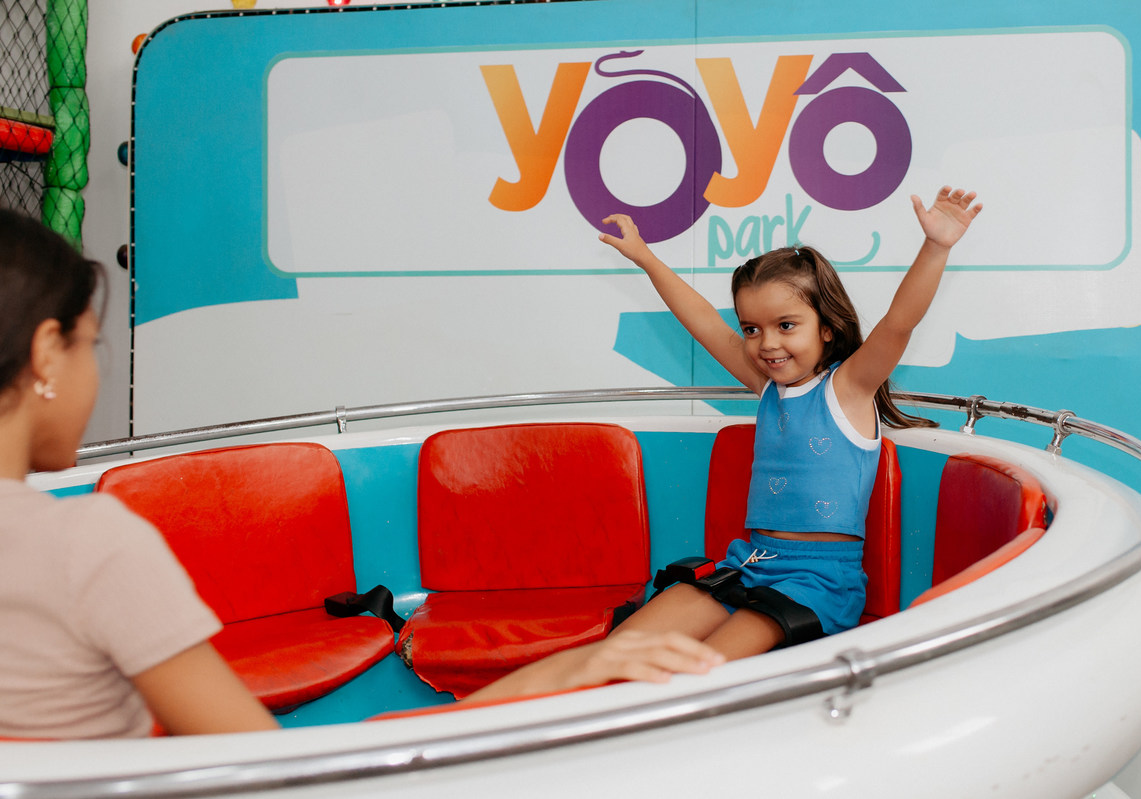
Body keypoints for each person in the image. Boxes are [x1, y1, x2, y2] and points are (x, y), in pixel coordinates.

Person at [0, 208, 722, 738]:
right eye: (90, 345)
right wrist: (564, 674)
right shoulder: (87, 542)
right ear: (45, 353)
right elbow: (268, 771)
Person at [598, 186, 982, 659]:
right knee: (622, 649)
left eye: (786, 325)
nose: (766, 343)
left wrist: (936, 246)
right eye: (751, 329)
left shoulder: (849, 388)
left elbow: (899, 323)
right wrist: (645, 257)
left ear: (827, 327)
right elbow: (702, 320)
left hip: (819, 580)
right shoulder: (766, 386)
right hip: (750, 562)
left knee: (704, 669)